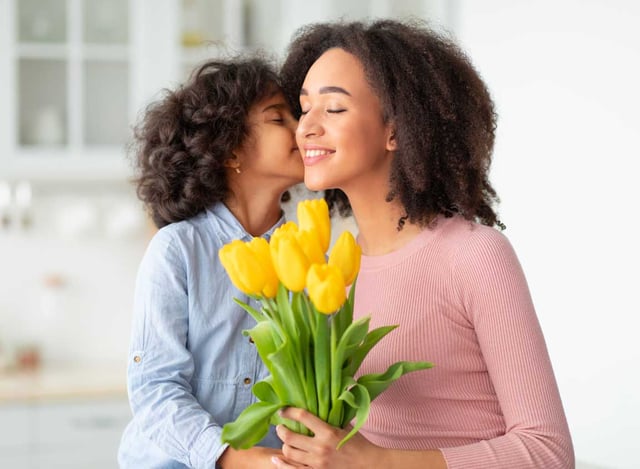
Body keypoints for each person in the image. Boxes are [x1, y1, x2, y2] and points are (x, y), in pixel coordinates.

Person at [272, 19, 575, 469]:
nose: (307, 128)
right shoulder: (332, 266)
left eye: (333, 109)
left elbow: (547, 452)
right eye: (304, 108)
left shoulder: (474, 255)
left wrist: (380, 462)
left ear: (396, 129)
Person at [117, 56, 304, 469]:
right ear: (230, 148)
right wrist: (232, 458)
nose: (302, 128)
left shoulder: (308, 255)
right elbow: (155, 388)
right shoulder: (177, 249)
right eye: (279, 119)